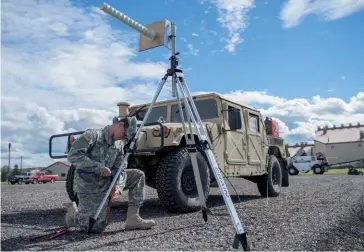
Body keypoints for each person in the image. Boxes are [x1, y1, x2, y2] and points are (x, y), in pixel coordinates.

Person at [63, 116, 156, 233]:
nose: (124, 138)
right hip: (89, 186)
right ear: (120, 125)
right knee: (93, 228)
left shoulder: (119, 144)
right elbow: (73, 156)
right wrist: (98, 168)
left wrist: (117, 186)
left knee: (137, 175)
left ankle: (133, 218)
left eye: (126, 137)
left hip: (106, 183)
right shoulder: (92, 135)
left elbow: (120, 169)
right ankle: (74, 213)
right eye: (124, 134)